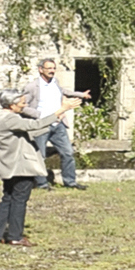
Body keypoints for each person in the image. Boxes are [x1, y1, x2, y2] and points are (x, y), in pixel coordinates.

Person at [0, 92, 46, 245]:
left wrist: (50, 124)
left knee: (7, 199)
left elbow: (26, 131)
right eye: (22, 103)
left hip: (8, 165)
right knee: (19, 200)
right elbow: (33, 125)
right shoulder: (11, 118)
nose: (25, 105)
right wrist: (60, 112)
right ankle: (15, 236)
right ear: (11, 105)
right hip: (21, 166)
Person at [19, 54, 84, 188]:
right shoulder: (32, 87)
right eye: (49, 68)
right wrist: (40, 115)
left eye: (54, 68)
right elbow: (22, 107)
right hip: (41, 125)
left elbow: (63, 91)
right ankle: (41, 183)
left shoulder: (55, 83)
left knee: (68, 153)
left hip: (58, 124)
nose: (52, 71)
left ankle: (70, 182)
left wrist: (80, 94)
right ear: (40, 69)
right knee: (40, 155)